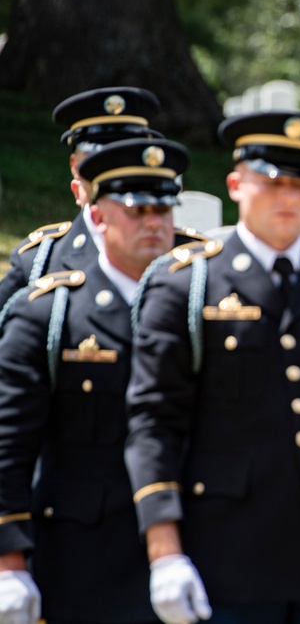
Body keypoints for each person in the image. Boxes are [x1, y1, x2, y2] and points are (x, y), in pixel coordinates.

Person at [124, 110, 300, 624]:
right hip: (229, 555)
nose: (288, 197)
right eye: (272, 181)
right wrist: (164, 550)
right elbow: (153, 422)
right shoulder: (186, 285)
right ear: (236, 184)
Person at [0, 137, 188, 624]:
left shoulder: (204, 310)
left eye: (165, 208)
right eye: (138, 208)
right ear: (99, 216)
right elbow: (9, 446)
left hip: (194, 550)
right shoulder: (47, 313)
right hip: (83, 560)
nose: (155, 223)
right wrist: (9, 562)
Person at [0, 86, 203, 313]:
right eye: (101, 160)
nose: (115, 169)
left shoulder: (195, 258)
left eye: (127, 157)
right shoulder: (38, 262)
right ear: (75, 167)